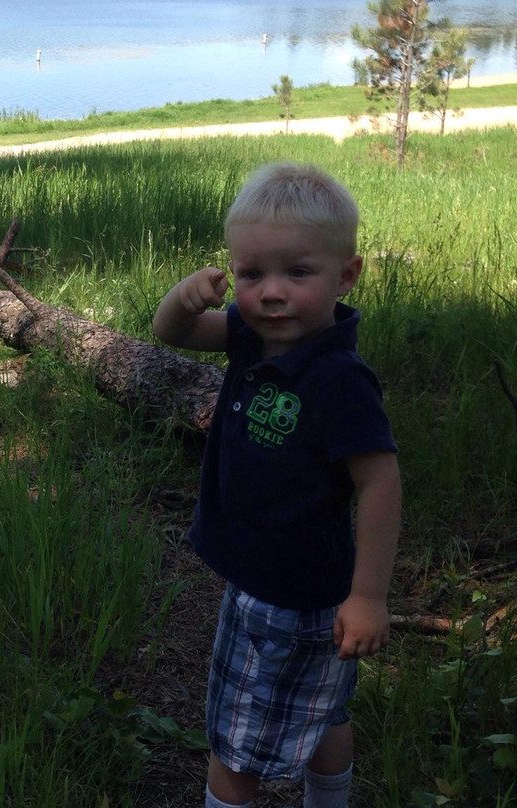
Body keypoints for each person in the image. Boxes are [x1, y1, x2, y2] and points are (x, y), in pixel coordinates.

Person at [151, 162, 401, 808]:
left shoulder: (338, 378)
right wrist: (184, 297)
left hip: (296, 595)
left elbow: (380, 482)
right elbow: (171, 335)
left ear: (346, 275)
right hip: (273, 582)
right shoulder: (249, 336)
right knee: (325, 713)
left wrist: (369, 595)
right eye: (251, 273)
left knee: (234, 751)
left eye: (298, 272)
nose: (271, 293)